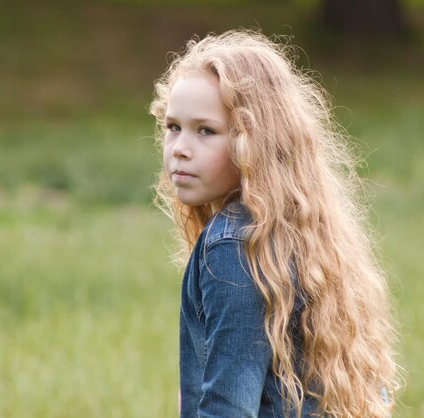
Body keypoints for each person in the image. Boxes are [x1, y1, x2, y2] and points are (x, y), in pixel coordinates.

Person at [150, 30, 401, 417]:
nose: (180, 148)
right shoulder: (289, 233)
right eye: (173, 127)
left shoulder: (233, 247)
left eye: (206, 131)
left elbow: (227, 408)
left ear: (253, 142)